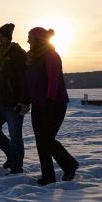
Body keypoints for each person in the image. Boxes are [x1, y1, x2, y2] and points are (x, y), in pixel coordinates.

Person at [25, 26, 78, 185]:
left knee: (47, 139)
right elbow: (29, 83)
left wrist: (49, 100)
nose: (27, 40)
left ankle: (69, 165)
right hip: (38, 104)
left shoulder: (51, 55)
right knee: (40, 141)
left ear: (38, 39)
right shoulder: (30, 58)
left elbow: (53, 80)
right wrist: (26, 101)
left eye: (30, 37)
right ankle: (48, 176)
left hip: (54, 104)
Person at [0, 23, 30, 174]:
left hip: (13, 105)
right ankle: (11, 155)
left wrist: (24, 101)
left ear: (8, 38)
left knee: (15, 137)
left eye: (0, 37)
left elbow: (24, 80)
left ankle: (17, 167)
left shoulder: (18, 54)